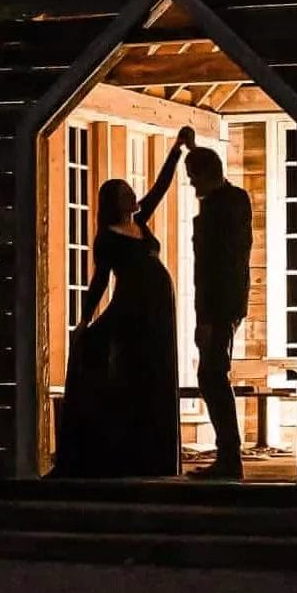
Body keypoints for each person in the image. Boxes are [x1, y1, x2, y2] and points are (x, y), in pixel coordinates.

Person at [51, 130, 190, 478]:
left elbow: (159, 188)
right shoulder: (107, 237)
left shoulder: (140, 223)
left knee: (158, 373)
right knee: (133, 372)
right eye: (125, 193)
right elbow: (100, 281)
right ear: (114, 202)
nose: (132, 195)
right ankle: (123, 452)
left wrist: (176, 151)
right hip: (133, 309)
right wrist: (84, 321)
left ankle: (157, 454)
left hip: (159, 309)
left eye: (131, 191)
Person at [186, 143, 253, 480]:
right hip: (228, 305)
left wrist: (207, 320)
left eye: (193, 178)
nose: (192, 186)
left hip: (219, 307)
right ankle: (229, 454)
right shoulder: (237, 200)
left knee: (211, 376)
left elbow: (214, 270)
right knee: (212, 376)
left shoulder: (217, 211)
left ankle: (229, 456)